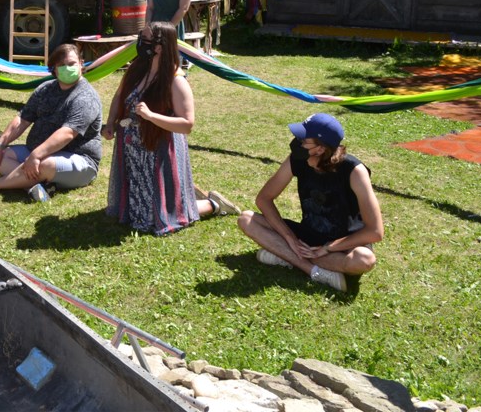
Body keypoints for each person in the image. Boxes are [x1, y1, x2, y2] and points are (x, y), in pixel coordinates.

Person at [103, 22, 237, 235]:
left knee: (160, 217)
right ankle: (182, 199)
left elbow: (187, 124)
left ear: (159, 46)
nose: (140, 42)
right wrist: (110, 122)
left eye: (145, 38)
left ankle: (212, 204)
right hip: (133, 149)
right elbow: (119, 95)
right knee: (135, 212)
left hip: (158, 149)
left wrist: (151, 116)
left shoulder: (176, 81)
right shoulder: (138, 68)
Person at [237, 113, 384, 293]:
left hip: (343, 244)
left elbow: (375, 231)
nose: (297, 142)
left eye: (303, 140)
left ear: (320, 149)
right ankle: (314, 271)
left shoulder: (354, 171)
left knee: (364, 260)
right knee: (246, 219)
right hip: (307, 238)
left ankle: (284, 256)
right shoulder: (297, 159)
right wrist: (289, 238)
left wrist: (327, 248)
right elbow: (264, 199)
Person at [0, 44, 102, 201]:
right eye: (62, 65)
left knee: (44, 164)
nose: (67, 68)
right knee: (2, 158)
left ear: (81, 64)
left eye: (72, 64)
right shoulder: (45, 89)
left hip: (80, 160)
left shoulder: (86, 97)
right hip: (38, 152)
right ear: (53, 68)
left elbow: (67, 133)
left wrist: (36, 155)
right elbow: (22, 119)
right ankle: (36, 186)